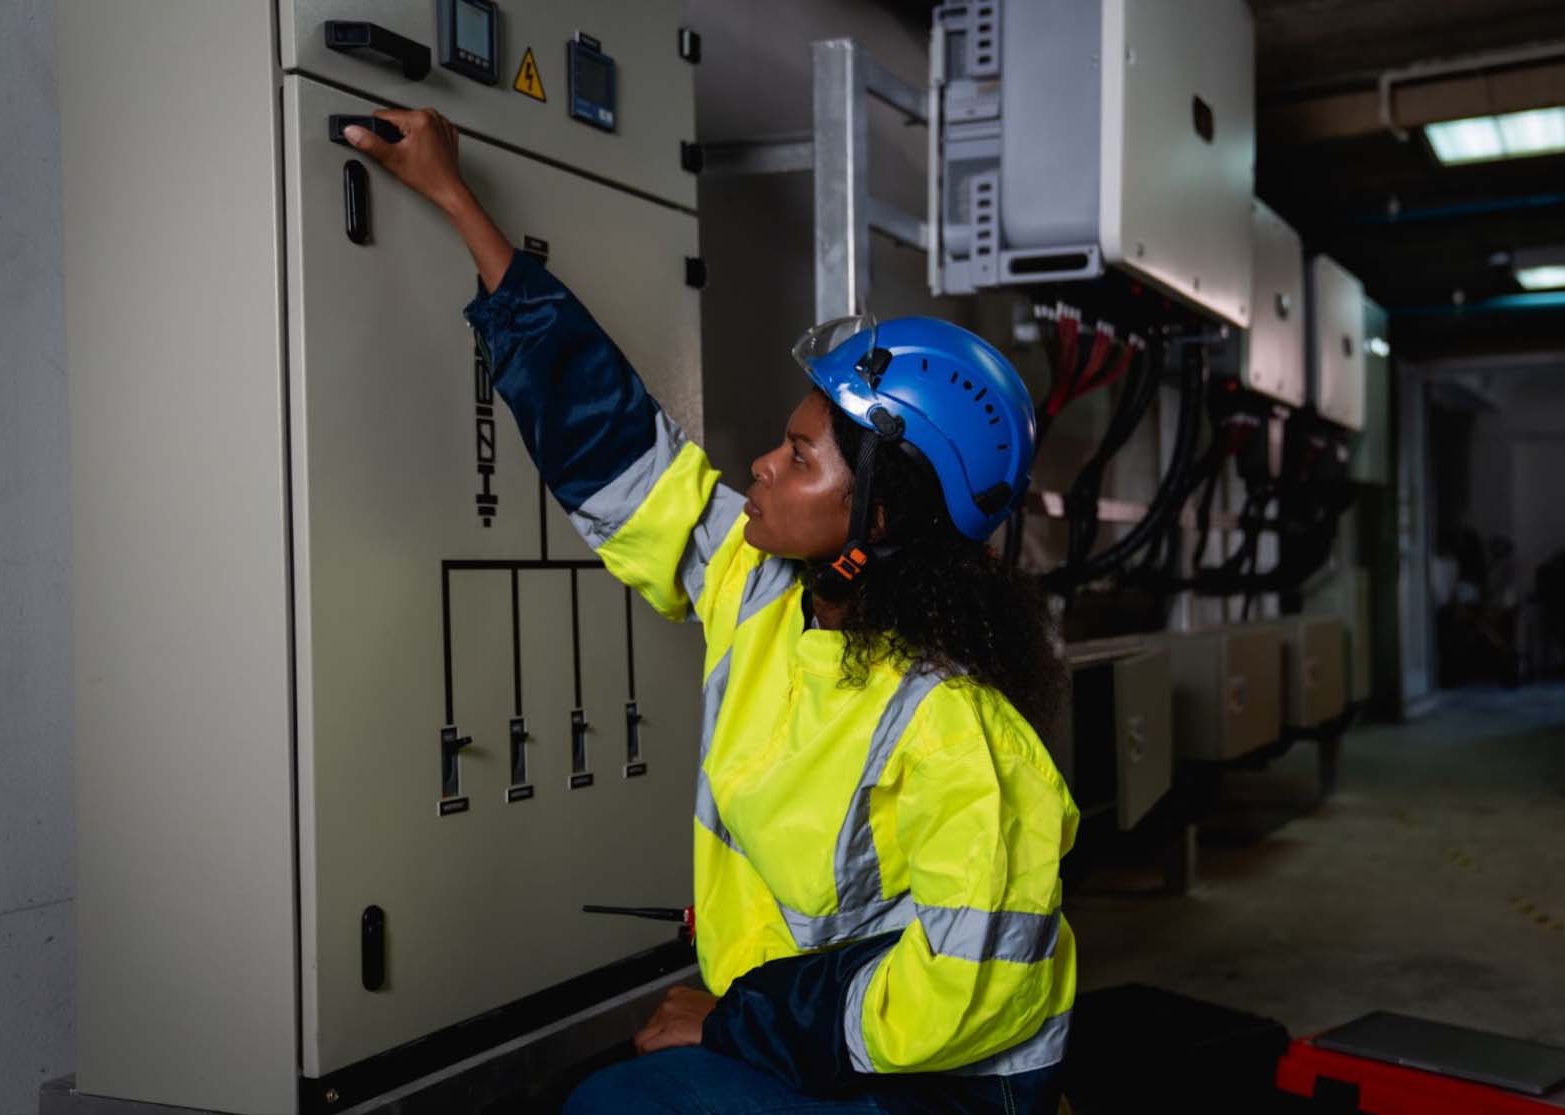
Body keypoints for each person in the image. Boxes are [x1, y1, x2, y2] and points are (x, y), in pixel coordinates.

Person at [345, 108, 1079, 1115]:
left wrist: (735, 1025)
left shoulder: (956, 730)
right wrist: (455, 201)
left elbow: (962, 995)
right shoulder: (766, 591)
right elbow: (608, 444)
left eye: (800, 455)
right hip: (807, 1027)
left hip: (938, 1080)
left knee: (611, 1107)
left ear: (884, 509)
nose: (762, 466)